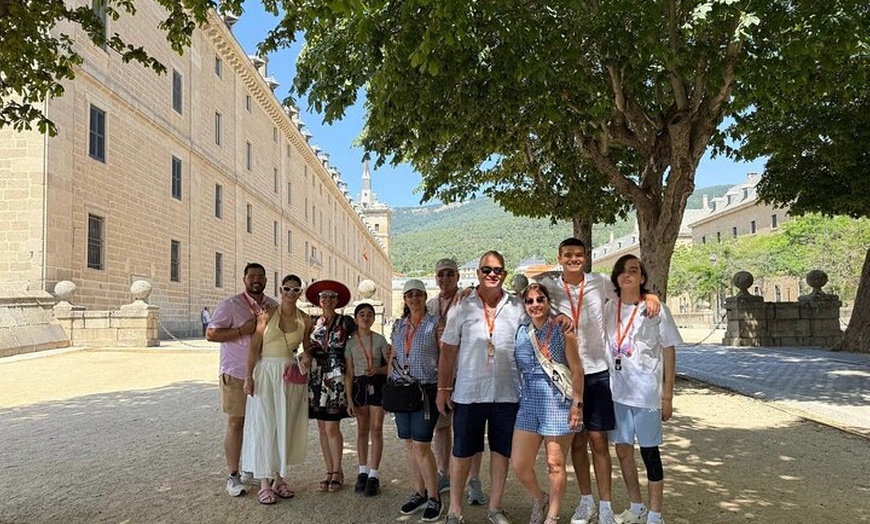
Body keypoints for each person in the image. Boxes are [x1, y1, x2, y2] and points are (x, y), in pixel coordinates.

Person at [534, 238, 659, 524]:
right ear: (560, 257)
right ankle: (586, 501)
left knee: (598, 441)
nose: (573, 259)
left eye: (578, 255)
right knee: (577, 443)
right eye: (568, 255)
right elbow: (524, 295)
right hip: (566, 374)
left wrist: (651, 296)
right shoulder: (550, 288)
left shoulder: (600, 282)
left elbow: (629, 291)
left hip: (598, 371)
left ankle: (605, 506)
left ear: (586, 257)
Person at [436, 251, 526, 524]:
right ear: (477, 273)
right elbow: (448, 351)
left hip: (507, 392)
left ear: (505, 274)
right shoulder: (462, 306)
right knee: (462, 452)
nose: (492, 274)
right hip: (469, 392)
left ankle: (495, 507)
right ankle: (455, 510)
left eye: (497, 270)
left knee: (501, 452)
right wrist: (443, 389)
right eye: (486, 270)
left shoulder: (516, 306)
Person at [605, 255, 680, 524]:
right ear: (616, 277)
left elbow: (669, 350)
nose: (627, 275)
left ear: (642, 277)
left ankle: (656, 514)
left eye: (633, 271)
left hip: (647, 394)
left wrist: (667, 395)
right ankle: (636, 506)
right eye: (622, 271)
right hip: (617, 393)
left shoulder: (656, 309)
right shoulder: (609, 306)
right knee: (623, 450)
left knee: (650, 452)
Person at [512, 283, 585, 524]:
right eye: (530, 301)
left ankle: (552, 516)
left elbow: (577, 370)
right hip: (529, 401)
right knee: (520, 464)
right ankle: (539, 497)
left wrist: (577, 404)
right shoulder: (521, 332)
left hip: (558, 402)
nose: (535, 305)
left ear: (548, 302)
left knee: (555, 464)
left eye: (540, 299)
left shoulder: (563, 330)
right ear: (525, 305)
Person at [206, 262, 278, 497]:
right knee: (236, 422)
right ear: (244, 279)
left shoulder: (273, 306)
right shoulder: (231, 305)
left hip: (265, 374)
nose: (256, 279)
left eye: (261, 276)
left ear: (266, 280)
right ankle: (233, 475)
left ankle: (252, 467)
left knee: (261, 423)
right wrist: (242, 330)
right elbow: (211, 334)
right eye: (252, 276)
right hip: (236, 371)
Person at [241, 275, 312, 505]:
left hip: (289, 375)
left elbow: (307, 348)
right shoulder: (267, 314)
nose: (291, 293)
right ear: (280, 290)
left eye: (295, 290)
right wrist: (248, 377)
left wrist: (306, 358)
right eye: (287, 289)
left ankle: (279, 479)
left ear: (300, 293)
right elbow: (254, 349)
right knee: (264, 424)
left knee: (285, 424)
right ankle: (263, 482)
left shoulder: (305, 319)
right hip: (266, 374)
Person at [426, 258, 486, 504]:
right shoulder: (430, 304)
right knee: (442, 428)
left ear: (458, 276)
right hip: (440, 374)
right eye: (441, 274)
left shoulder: (468, 299)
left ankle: (474, 480)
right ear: (436, 277)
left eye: (449, 273)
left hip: (465, 372)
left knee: (469, 430)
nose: (445, 278)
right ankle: (444, 473)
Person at [391, 279, 444, 522]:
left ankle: (435, 497)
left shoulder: (436, 324)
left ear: (425, 296)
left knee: (422, 445)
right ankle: (419, 492)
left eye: (418, 294)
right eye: (409, 294)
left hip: (426, 390)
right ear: (404, 299)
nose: (414, 298)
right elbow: (394, 354)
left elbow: (445, 358)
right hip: (402, 391)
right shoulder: (398, 325)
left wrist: (445, 388)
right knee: (410, 444)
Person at [305, 279, 356, 493]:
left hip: (335, 374)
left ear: (338, 301)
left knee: (332, 426)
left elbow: (356, 344)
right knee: (321, 428)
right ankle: (328, 470)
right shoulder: (311, 321)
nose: (327, 299)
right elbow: (305, 344)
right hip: (316, 374)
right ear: (318, 300)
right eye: (323, 296)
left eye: (332, 296)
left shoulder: (346, 322)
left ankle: (337, 471)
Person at [345, 302, 390, 497]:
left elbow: (389, 368)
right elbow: (349, 372)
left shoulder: (380, 340)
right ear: (356, 319)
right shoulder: (350, 343)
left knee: (377, 429)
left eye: (369, 314)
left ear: (373, 318)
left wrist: (378, 370)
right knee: (362, 430)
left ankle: (374, 474)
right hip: (359, 386)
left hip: (378, 384)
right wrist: (348, 399)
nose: (366, 317)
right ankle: (362, 471)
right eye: (361, 314)